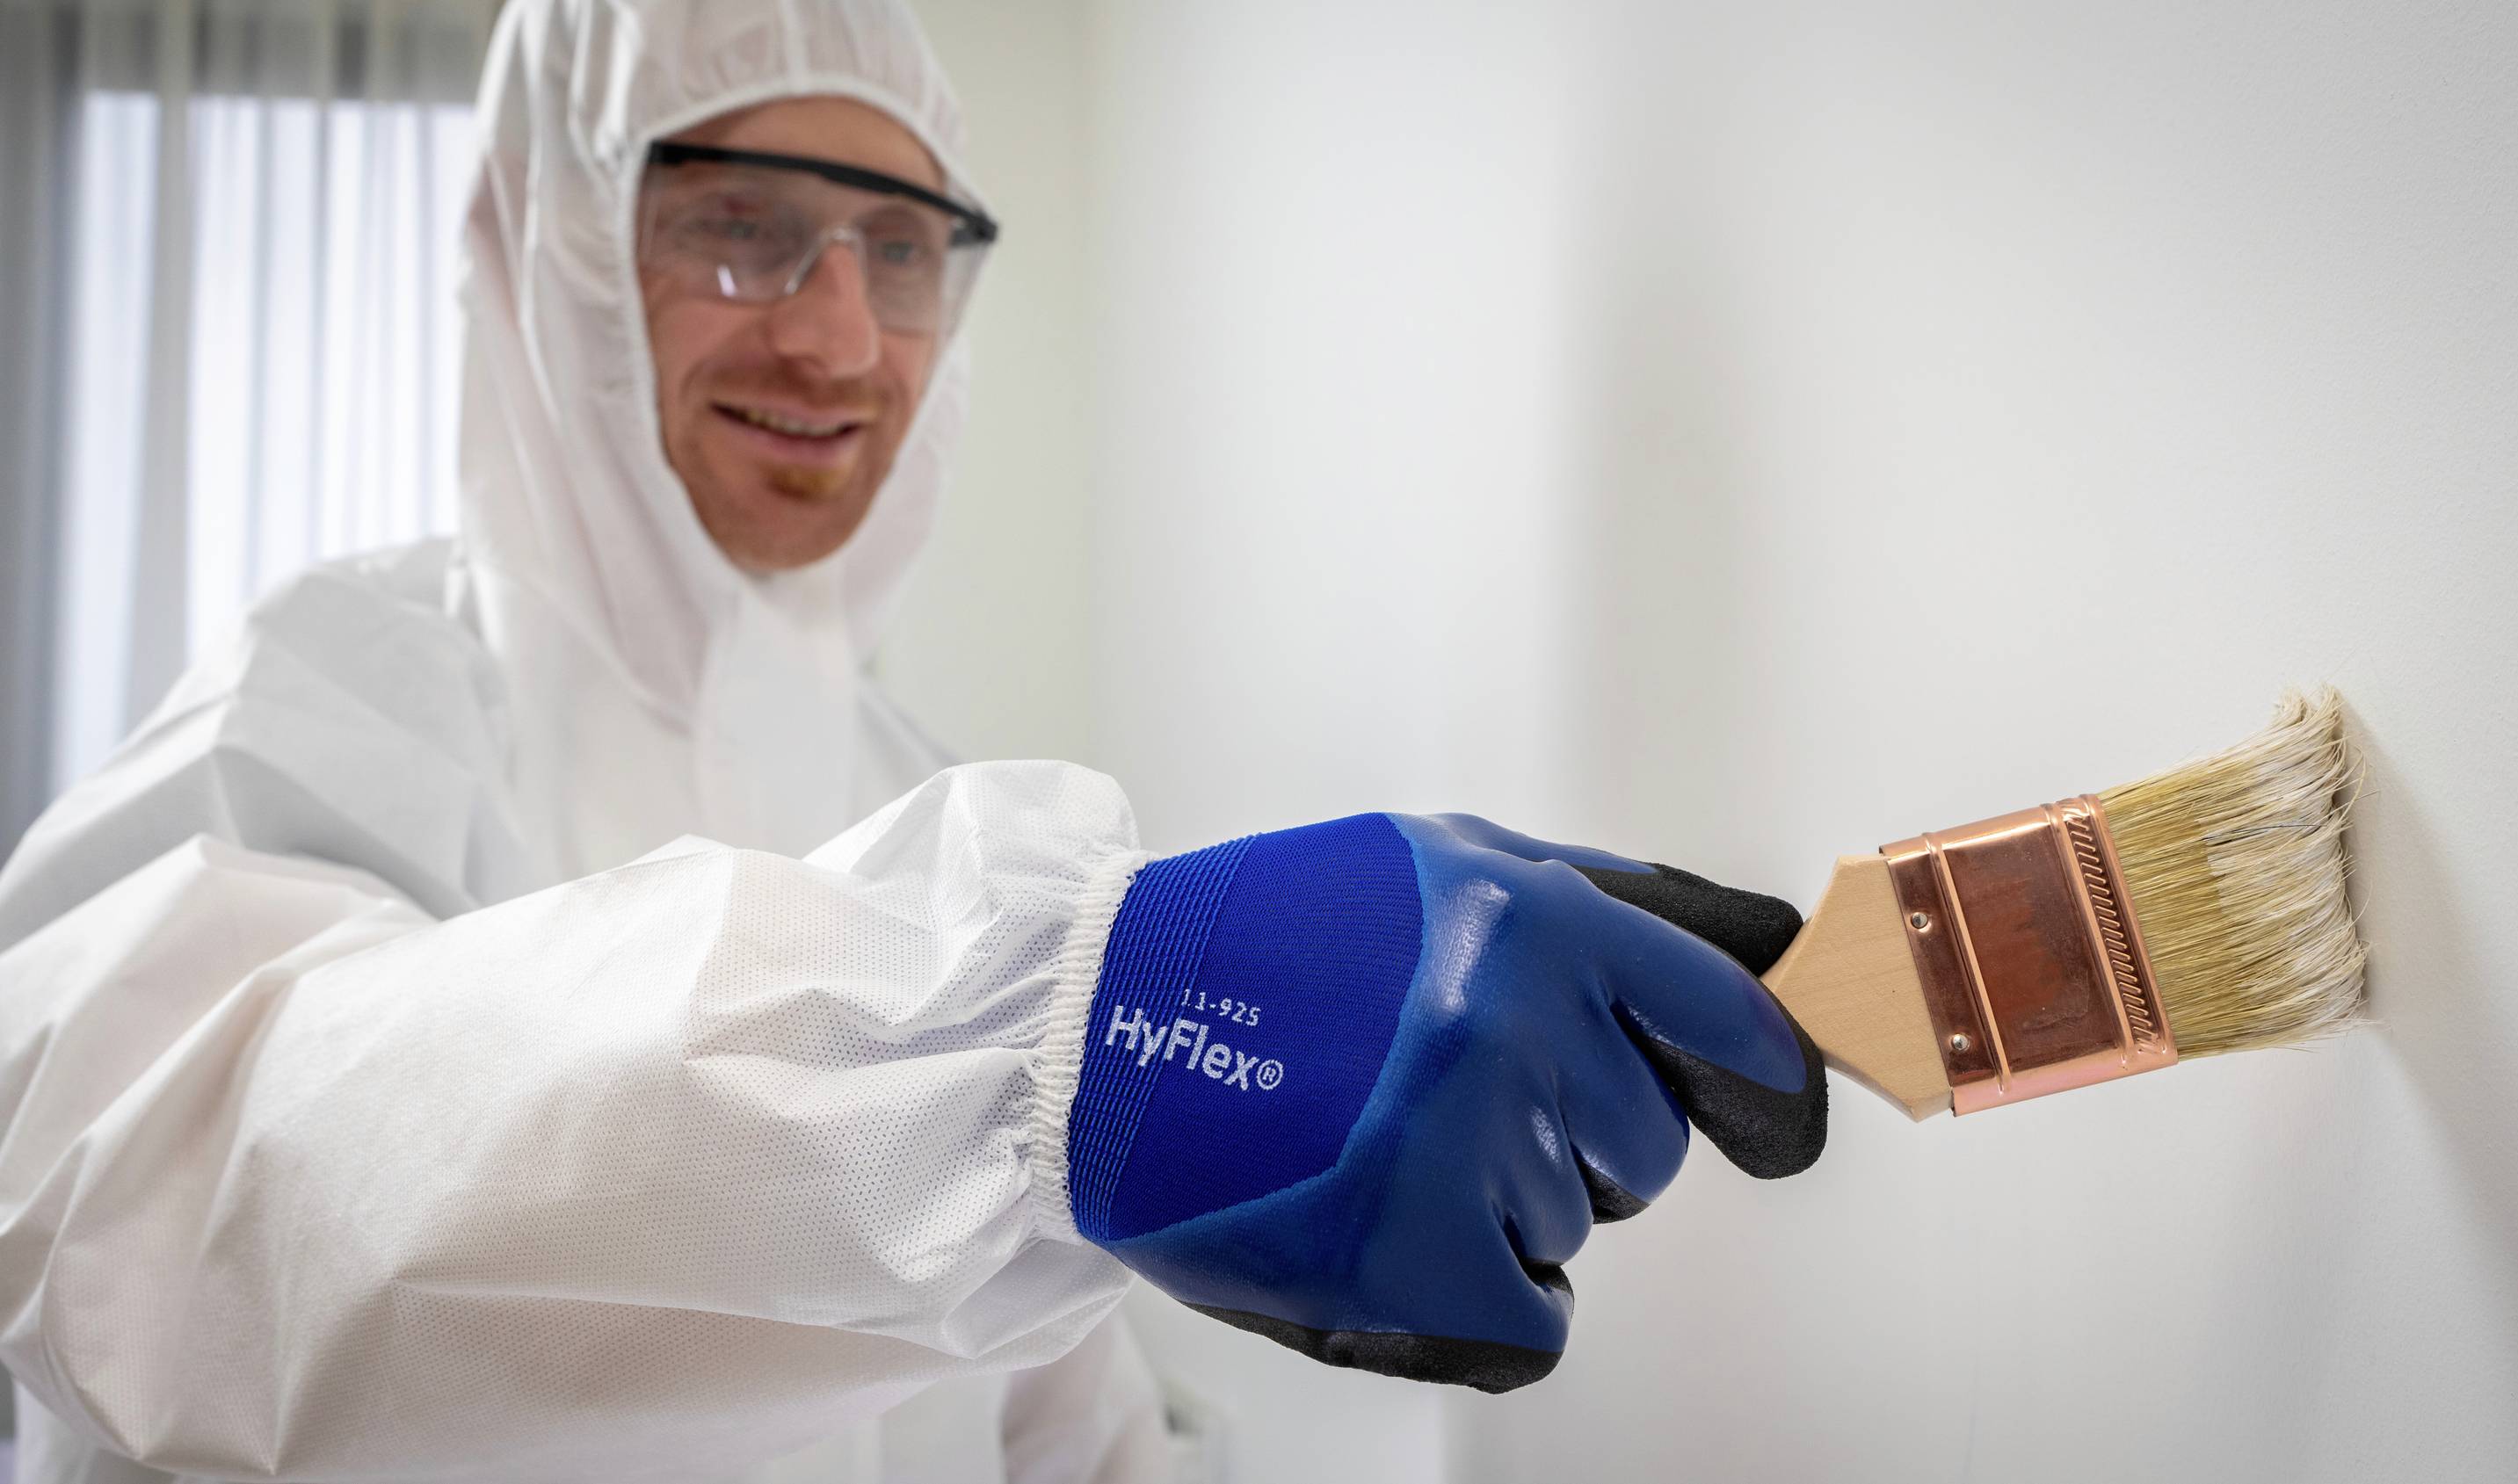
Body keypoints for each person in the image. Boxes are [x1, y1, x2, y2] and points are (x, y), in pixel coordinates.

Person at [0, 0, 1825, 1479]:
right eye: (741, 229)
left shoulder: (915, 793)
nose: (841, 338)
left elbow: (1057, 1421)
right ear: (561, 244)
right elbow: (136, 1202)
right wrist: (1052, 1036)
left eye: (900, 246)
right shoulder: (338, 684)